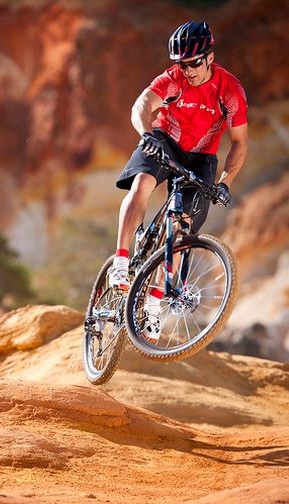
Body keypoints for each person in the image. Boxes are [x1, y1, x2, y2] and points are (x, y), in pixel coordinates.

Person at [108, 20, 248, 340]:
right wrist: (146, 135)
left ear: (210, 57)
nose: (188, 70)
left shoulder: (230, 90)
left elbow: (240, 142)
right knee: (143, 182)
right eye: (181, 64)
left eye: (194, 62)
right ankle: (121, 259)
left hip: (201, 157)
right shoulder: (173, 80)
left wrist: (225, 182)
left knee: (181, 229)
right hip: (164, 141)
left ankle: (154, 307)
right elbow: (142, 105)